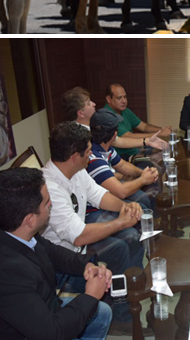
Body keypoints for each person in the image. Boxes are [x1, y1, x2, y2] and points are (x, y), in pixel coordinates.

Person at [0, 167, 122, 340]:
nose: (51, 204)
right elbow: (52, 335)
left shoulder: (7, 227)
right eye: (47, 202)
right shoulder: (4, 271)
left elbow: (51, 251)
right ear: (29, 219)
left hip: (41, 313)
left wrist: (87, 265)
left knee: (102, 313)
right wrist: (91, 295)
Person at [40, 123, 143, 290]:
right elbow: (79, 236)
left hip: (80, 245)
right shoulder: (49, 188)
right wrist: (122, 222)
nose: (91, 155)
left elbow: (99, 195)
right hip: (65, 260)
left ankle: (134, 289)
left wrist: (126, 207)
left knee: (132, 236)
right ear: (74, 156)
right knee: (121, 247)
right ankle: (122, 311)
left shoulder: (77, 169)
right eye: (88, 152)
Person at [86, 110, 157, 214]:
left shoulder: (105, 147)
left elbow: (122, 164)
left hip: (110, 191)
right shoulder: (94, 159)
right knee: (141, 207)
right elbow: (121, 192)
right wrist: (143, 179)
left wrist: (142, 173)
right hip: (96, 207)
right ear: (114, 135)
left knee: (144, 198)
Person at [64, 87, 167, 153]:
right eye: (89, 103)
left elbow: (118, 141)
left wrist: (147, 141)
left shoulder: (94, 123)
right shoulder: (77, 136)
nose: (94, 104)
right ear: (80, 113)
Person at [102, 84, 168, 161]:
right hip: (123, 156)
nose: (124, 101)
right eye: (119, 98)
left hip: (135, 150)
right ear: (109, 99)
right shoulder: (106, 116)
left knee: (165, 152)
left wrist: (161, 130)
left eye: (125, 97)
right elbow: (127, 136)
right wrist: (160, 134)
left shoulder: (125, 110)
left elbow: (143, 126)